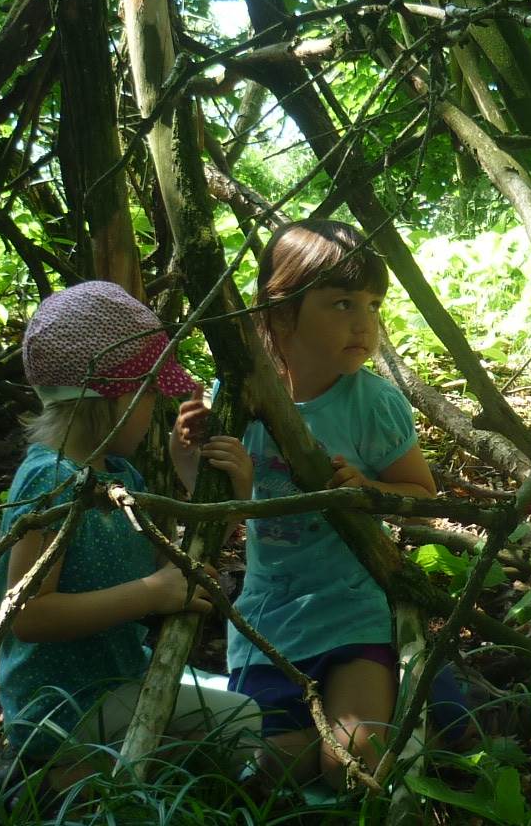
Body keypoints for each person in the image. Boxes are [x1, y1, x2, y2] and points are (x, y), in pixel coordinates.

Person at [224, 219, 466, 788]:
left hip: (354, 603)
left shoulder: (372, 403)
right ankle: (427, 711)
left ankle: (437, 717)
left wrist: (367, 491)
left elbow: (421, 496)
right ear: (281, 314)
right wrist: (196, 461)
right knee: (278, 771)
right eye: (341, 304)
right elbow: (226, 517)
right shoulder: (241, 396)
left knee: (354, 766)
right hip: (272, 611)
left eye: (373, 305)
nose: (365, 323)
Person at [0, 280, 260, 783]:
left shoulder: (118, 475)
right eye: (149, 393)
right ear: (110, 398)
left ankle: (95, 778)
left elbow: (174, 569)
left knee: (235, 703)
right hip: (63, 704)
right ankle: (59, 781)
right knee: (240, 720)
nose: (156, 407)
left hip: (117, 677)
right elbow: (27, 614)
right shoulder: (52, 481)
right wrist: (151, 593)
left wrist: (215, 487)